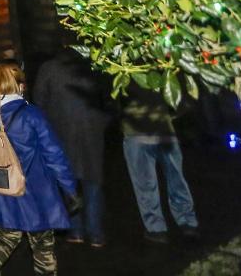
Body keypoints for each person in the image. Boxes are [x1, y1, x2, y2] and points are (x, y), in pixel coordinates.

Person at [0, 61, 78, 276]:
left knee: (6, 237)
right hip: (34, 191)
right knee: (42, 245)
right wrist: (70, 188)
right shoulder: (31, 114)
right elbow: (54, 154)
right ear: (19, 85)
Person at [32, 48, 112, 246]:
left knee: (67, 185)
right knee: (92, 183)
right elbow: (110, 100)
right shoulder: (95, 68)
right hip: (92, 134)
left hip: (60, 134)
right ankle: (95, 233)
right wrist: (101, 123)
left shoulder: (49, 69)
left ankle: (75, 230)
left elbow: (38, 101)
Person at [120, 85, 199, 244]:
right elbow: (189, 93)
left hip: (136, 131)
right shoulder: (163, 61)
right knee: (176, 179)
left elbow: (109, 98)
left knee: (145, 184)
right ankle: (187, 221)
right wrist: (171, 114)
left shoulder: (118, 66)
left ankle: (156, 228)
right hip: (163, 128)